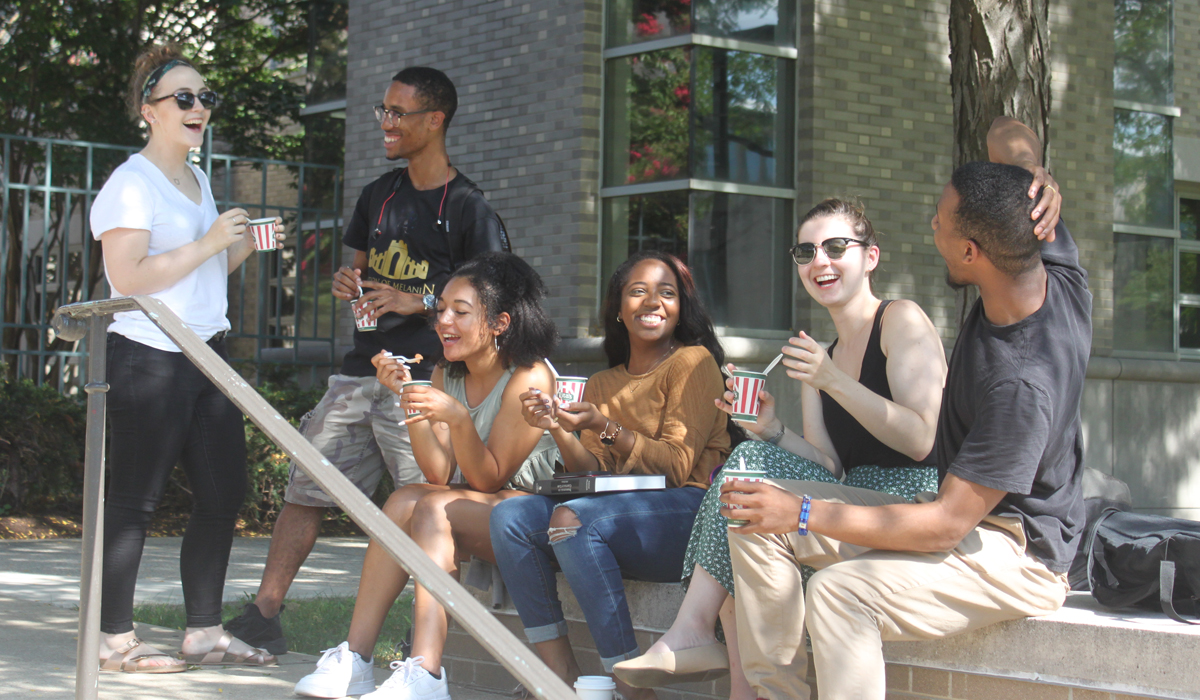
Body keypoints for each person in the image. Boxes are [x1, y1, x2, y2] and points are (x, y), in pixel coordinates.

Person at [716, 116, 1084, 700]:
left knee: (840, 592)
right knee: (754, 516)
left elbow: (945, 523)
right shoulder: (1048, 261)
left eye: (942, 220)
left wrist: (805, 514)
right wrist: (1036, 176)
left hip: (1016, 551)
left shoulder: (1019, 386)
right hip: (954, 511)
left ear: (971, 250)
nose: (932, 221)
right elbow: (1004, 130)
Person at [224, 66, 509, 654]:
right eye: (383, 110)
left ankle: (424, 639)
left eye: (398, 113)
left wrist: (419, 299)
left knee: (431, 509)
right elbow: (361, 270)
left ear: (435, 120)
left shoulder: (468, 207)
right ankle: (264, 614)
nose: (386, 123)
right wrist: (349, 283)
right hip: (360, 370)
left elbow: (494, 296)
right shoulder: (378, 194)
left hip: (428, 379)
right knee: (307, 487)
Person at [614, 200, 948, 699]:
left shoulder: (900, 320)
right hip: (848, 498)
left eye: (837, 247)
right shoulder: (822, 354)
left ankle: (695, 632)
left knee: (745, 494)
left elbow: (923, 440)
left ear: (871, 256)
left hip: (908, 504)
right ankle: (717, 657)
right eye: (806, 251)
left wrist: (832, 380)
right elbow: (830, 465)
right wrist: (770, 429)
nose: (821, 262)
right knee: (745, 497)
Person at [89, 43, 283, 672]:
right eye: (184, 98)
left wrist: (243, 245)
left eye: (206, 98)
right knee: (134, 500)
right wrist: (206, 242)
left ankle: (202, 630)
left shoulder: (196, 179)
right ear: (149, 110)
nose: (199, 107)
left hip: (208, 355)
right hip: (148, 355)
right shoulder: (129, 183)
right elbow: (130, 277)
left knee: (225, 493)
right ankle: (113, 640)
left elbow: (206, 272)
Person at [293, 252, 559, 700]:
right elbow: (438, 472)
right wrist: (407, 398)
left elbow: (490, 478)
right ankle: (356, 659)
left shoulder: (530, 376)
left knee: (432, 507)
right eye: (441, 311)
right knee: (403, 500)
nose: (444, 323)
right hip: (483, 507)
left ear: (499, 322)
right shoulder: (444, 371)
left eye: (461, 312)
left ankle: (427, 674)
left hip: (537, 515)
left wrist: (458, 420)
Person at [490, 250, 737, 700]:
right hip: (621, 512)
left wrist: (604, 426)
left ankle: (627, 684)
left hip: (690, 514)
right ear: (618, 309)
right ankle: (559, 676)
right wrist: (559, 428)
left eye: (667, 293)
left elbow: (677, 466)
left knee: (572, 521)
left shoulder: (693, 362)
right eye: (638, 291)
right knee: (510, 518)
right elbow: (592, 473)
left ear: (681, 308)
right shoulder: (602, 383)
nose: (653, 302)